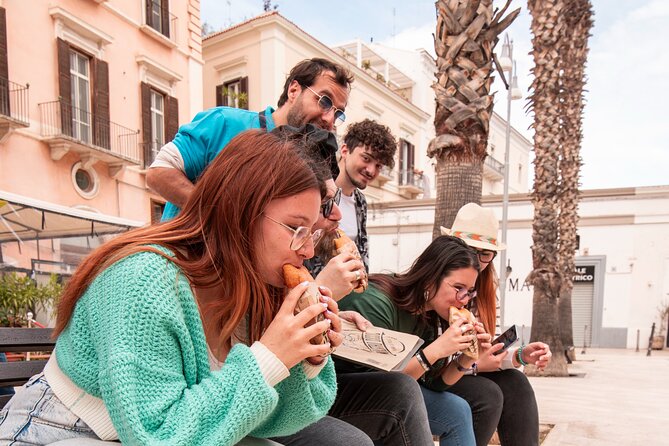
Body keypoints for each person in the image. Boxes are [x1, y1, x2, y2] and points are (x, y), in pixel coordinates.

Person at [0, 130, 343, 445]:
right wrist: (268, 357)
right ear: (237, 211)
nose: (309, 251)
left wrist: (303, 359)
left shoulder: (257, 287)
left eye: (312, 232)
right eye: (296, 228)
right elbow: (159, 435)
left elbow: (254, 421)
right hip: (55, 429)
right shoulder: (143, 279)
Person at [270, 126, 434, 446]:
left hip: (321, 324)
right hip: (305, 328)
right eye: (367, 158)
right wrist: (318, 294)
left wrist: (334, 313)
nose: (334, 216)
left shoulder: (358, 203)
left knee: (401, 389)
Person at [147, 58, 354, 221]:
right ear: (294, 90)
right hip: (181, 267)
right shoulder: (225, 122)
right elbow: (159, 173)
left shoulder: (306, 161)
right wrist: (219, 215)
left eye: (338, 113)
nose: (329, 119)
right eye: (324, 101)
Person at [338, 236, 494, 446]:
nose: (464, 299)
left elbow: (434, 383)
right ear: (431, 278)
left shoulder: (428, 313)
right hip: (342, 394)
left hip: (393, 392)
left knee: (457, 410)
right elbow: (383, 385)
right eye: (458, 288)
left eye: (469, 292)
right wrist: (436, 350)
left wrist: (467, 357)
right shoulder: (375, 301)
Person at [440, 203, 552, 446]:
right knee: (487, 395)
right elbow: (431, 360)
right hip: (437, 376)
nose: (477, 260)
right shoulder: (439, 282)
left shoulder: (487, 289)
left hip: (468, 370)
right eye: (469, 249)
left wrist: (521, 356)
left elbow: (487, 352)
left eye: (485, 253)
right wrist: (476, 366)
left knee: (516, 382)